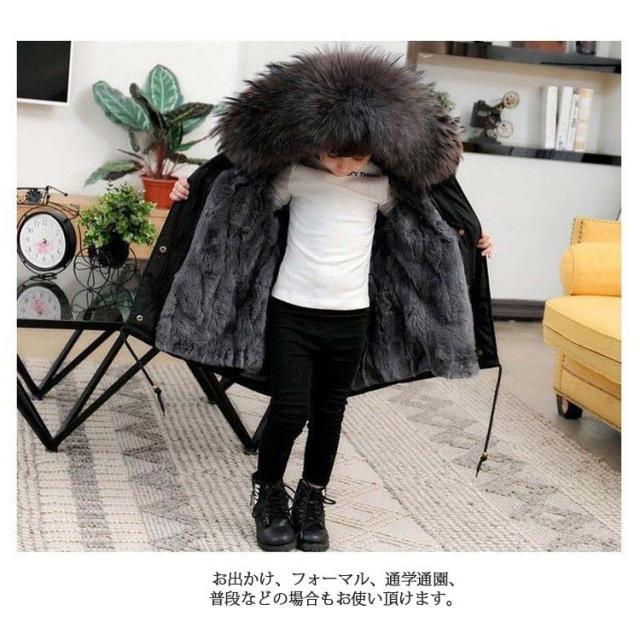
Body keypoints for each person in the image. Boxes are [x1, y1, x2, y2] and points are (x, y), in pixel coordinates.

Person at [169, 148, 495, 553]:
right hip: (291, 312)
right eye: (334, 156)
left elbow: (425, 228)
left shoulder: (380, 183)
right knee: (289, 409)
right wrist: (194, 189)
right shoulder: (295, 172)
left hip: (351, 319)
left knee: (329, 413)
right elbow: (241, 211)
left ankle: (312, 498)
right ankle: (268, 494)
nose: (342, 167)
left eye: (354, 158)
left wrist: (471, 233)